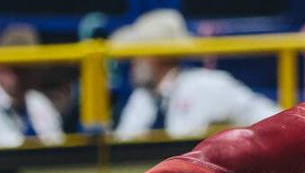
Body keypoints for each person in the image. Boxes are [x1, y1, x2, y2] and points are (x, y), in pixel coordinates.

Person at [111, 9, 279, 140]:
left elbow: (272, 119)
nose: (131, 65)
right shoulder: (141, 99)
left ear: (157, 56)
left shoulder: (208, 85)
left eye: (137, 56)